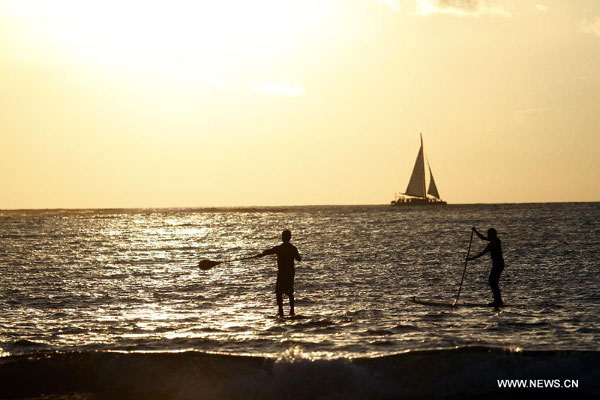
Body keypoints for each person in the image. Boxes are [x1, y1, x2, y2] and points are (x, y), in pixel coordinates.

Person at [256, 230, 302, 317]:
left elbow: (269, 251)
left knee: (279, 293)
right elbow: (299, 259)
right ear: (290, 237)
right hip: (290, 273)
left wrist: (261, 255)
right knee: (290, 292)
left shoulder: (279, 248)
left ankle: (281, 311)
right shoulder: (293, 248)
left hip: (282, 273)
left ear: (282, 237)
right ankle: (292, 311)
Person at [467, 227, 505, 307]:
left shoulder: (493, 243)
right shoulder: (496, 240)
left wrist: (471, 259)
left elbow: (482, 253)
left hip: (498, 265)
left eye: (488, 234)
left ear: (491, 235)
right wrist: (475, 231)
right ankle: (498, 300)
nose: (487, 235)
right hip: (498, 264)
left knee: (492, 282)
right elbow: (483, 238)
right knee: (493, 282)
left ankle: (498, 301)